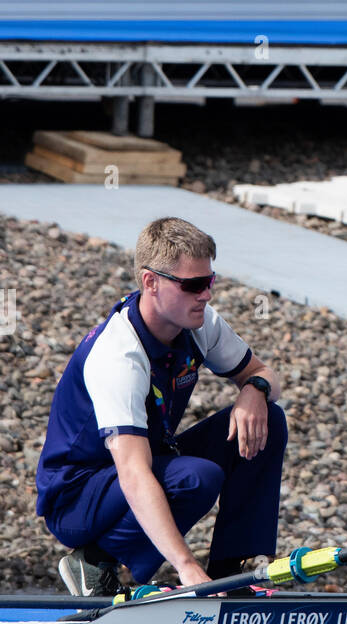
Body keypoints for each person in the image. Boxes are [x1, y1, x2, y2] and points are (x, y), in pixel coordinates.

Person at [36, 217, 287, 596]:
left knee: (271, 419)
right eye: (193, 285)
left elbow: (266, 374)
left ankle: (229, 573)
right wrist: (185, 567)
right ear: (150, 282)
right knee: (196, 478)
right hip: (76, 495)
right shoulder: (118, 356)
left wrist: (255, 388)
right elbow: (134, 473)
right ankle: (94, 561)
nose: (206, 295)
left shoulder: (200, 324)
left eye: (210, 281)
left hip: (144, 461)